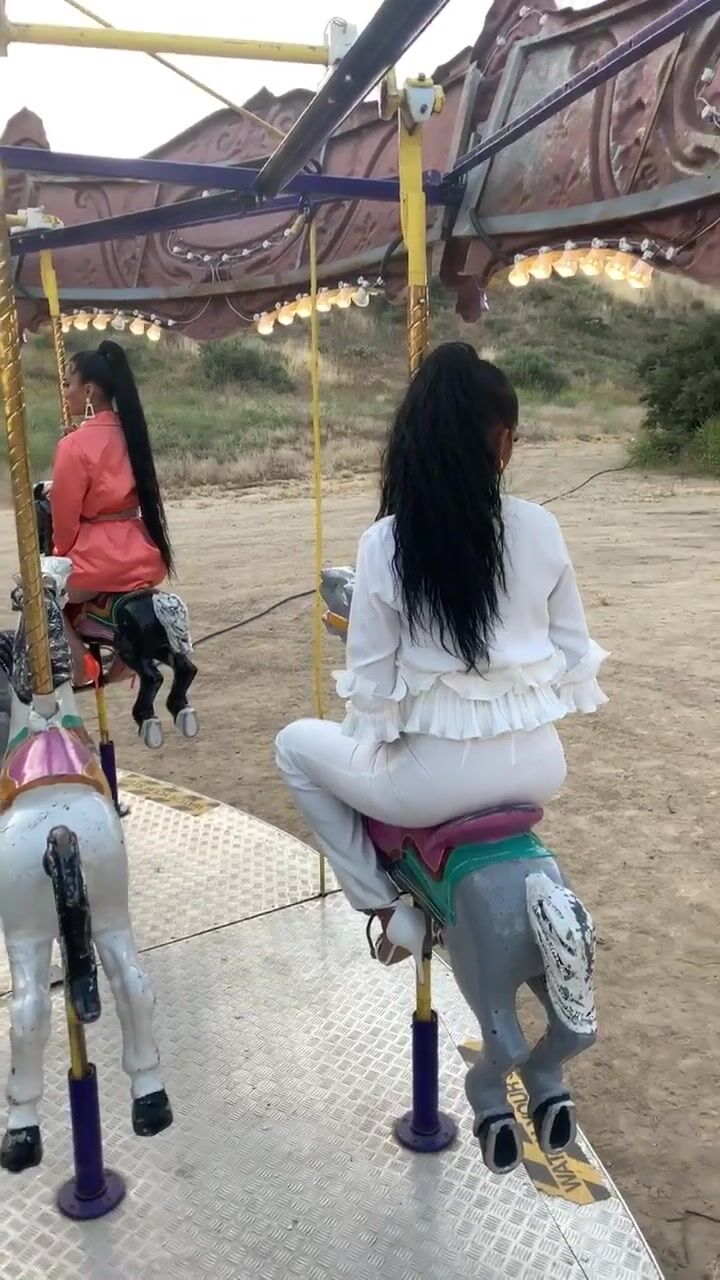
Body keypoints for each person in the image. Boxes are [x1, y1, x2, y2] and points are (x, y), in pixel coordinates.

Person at [275, 342, 607, 967]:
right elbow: (571, 652)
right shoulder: (541, 526)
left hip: (436, 785)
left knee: (294, 746)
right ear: (503, 441)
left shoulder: (386, 542)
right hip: (541, 767)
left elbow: (373, 691)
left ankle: (384, 907)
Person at [50, 340, 174, 684]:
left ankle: (80, 664)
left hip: (98, 559)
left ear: (88, 391)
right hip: (140, 551)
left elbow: (64, 522)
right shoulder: (132, 432)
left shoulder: (74, 445)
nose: (65, 392)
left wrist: (59, 552)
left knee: (38, 591)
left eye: (68, 384)